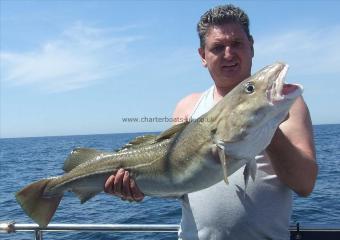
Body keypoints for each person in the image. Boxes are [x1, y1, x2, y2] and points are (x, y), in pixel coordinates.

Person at [104, 4, 318, 239]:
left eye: (236, 44)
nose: (228, 54)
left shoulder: (287, 105)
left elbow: (304, 184)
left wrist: (265, 125)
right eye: (217, 47)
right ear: (203, 56)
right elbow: (177, 185)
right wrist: (136, 189)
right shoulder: (187, 107)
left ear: (252, 46)